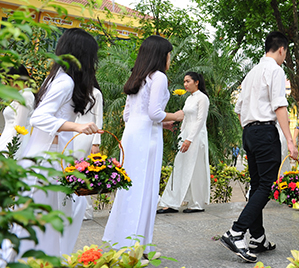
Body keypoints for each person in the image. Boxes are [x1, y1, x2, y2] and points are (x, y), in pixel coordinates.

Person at [11, 28, 101, 259]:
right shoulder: (65, 83)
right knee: (44, 218)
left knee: (38, 218)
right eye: (92, 56)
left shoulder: (58, 78)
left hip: (49, 157)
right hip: (47, 160)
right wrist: (77, 126)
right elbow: (39, 117)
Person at [220, 31, 298, 263]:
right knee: (265, 185)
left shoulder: (252, 73)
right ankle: (235, 232)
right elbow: (280, 106)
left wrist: (250, 127)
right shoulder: (275, 70)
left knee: (257, 185)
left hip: (249, 132)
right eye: (286, 52)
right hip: (264, 131)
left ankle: (258, 237)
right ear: (282, 49)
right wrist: (290, 141)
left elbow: (238, 109)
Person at [103, 36, 184, 250]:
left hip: (132, 135)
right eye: (169, 54)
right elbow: (155, 112)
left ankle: (121, 241)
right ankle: (138, 245)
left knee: (129, 187)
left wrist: (160, 123)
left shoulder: (138, 76)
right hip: (147, 139)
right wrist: (175, 116)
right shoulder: (159, 77)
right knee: (145, 189)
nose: (170, 59)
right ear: (161, 55)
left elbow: (129, 115)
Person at [158, 71, 211, 214]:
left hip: (196, 136)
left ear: (196, 82)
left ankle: (197, 203)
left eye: (188, 81)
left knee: (196, 168)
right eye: (184, 82)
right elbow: (185, 118)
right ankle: (171, 203)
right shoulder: (189, 99)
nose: (185, 84)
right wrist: (181, 134)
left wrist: (190, 139)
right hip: (186, 135)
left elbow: (200, 120)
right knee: (180, 166)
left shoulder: (203, 98)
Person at [72, 83, 103, 220]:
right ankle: (77, 210)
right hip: (73, 133)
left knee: (82, 172)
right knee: (73, 172)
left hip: (87, 136)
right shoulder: (74, 91)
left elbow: (99, 119)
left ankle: (86, 211)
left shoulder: (95, 93)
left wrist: (96, 142)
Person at [0, 65, 35, 156]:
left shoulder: (25, 96)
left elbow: (19, 128)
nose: (4, 83)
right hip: (8, 142)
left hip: (11, 145)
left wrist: (9, 153)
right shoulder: (22, 95)